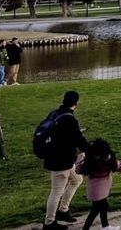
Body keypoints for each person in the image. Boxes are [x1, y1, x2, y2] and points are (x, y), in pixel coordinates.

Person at [42, 90, 91, 230]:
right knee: (56, 191)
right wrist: (91, 150)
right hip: (61, 160)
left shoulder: (55, 114)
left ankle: (63, 210)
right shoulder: (70, 119)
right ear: (76, 103)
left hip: (61, 158)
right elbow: (79, 139)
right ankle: (49, 223)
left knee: (77, 180)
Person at [77, 138, 121, 230]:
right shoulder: (109, 160)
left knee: (101, 207)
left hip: (95, 189)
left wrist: (79, 159)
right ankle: (91, 228)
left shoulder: (90, 161)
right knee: (95, 210)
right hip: (100, 190)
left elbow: (78, 170)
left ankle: (105, 226)